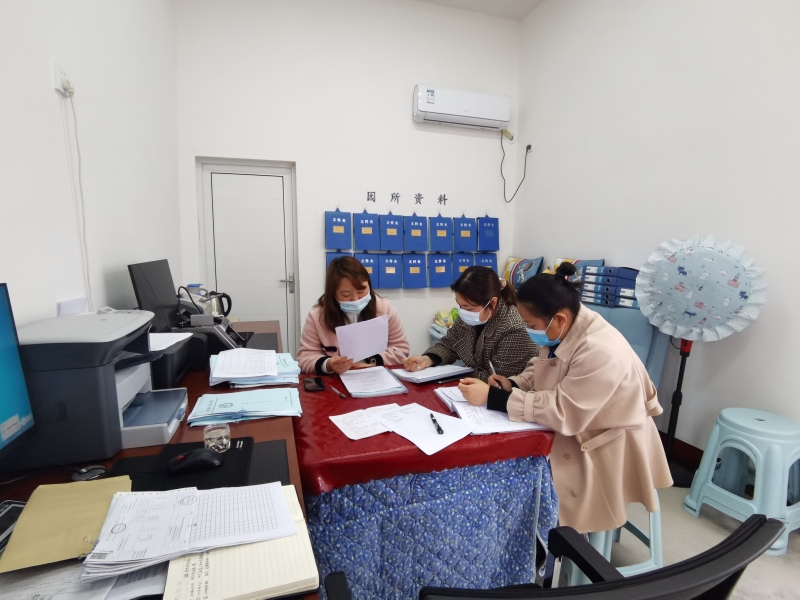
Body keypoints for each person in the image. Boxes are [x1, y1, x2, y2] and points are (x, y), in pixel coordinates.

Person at [457, 262, 672, 533]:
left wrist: (494, 399)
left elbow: (564, 412)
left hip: (607, 441)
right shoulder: (567, 325)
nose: (528, 330)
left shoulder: (600, 350)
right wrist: (513, 383)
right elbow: (545, 366)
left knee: (523, 483)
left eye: (530, 325)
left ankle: (546, 539)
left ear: (559, 319)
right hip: (584, 420)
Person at [403, 266, 537, 382]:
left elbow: (501, 379)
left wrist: (460, 374)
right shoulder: (470, 316)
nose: (463, 312)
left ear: (493, 303)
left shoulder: (515, 328)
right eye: (460, 305)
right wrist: (428, 359)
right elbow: (449, 344)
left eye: (468, 307)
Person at [298, 257, 410, 374]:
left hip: (376, 375)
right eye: (346, 295)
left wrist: (372, 362)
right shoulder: (318, 315)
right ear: (333, 293)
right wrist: (328, 364)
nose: (356, 299)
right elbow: (305, 357)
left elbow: (401, 349)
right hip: (336, 379)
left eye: (361, 291)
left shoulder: (384, 308)